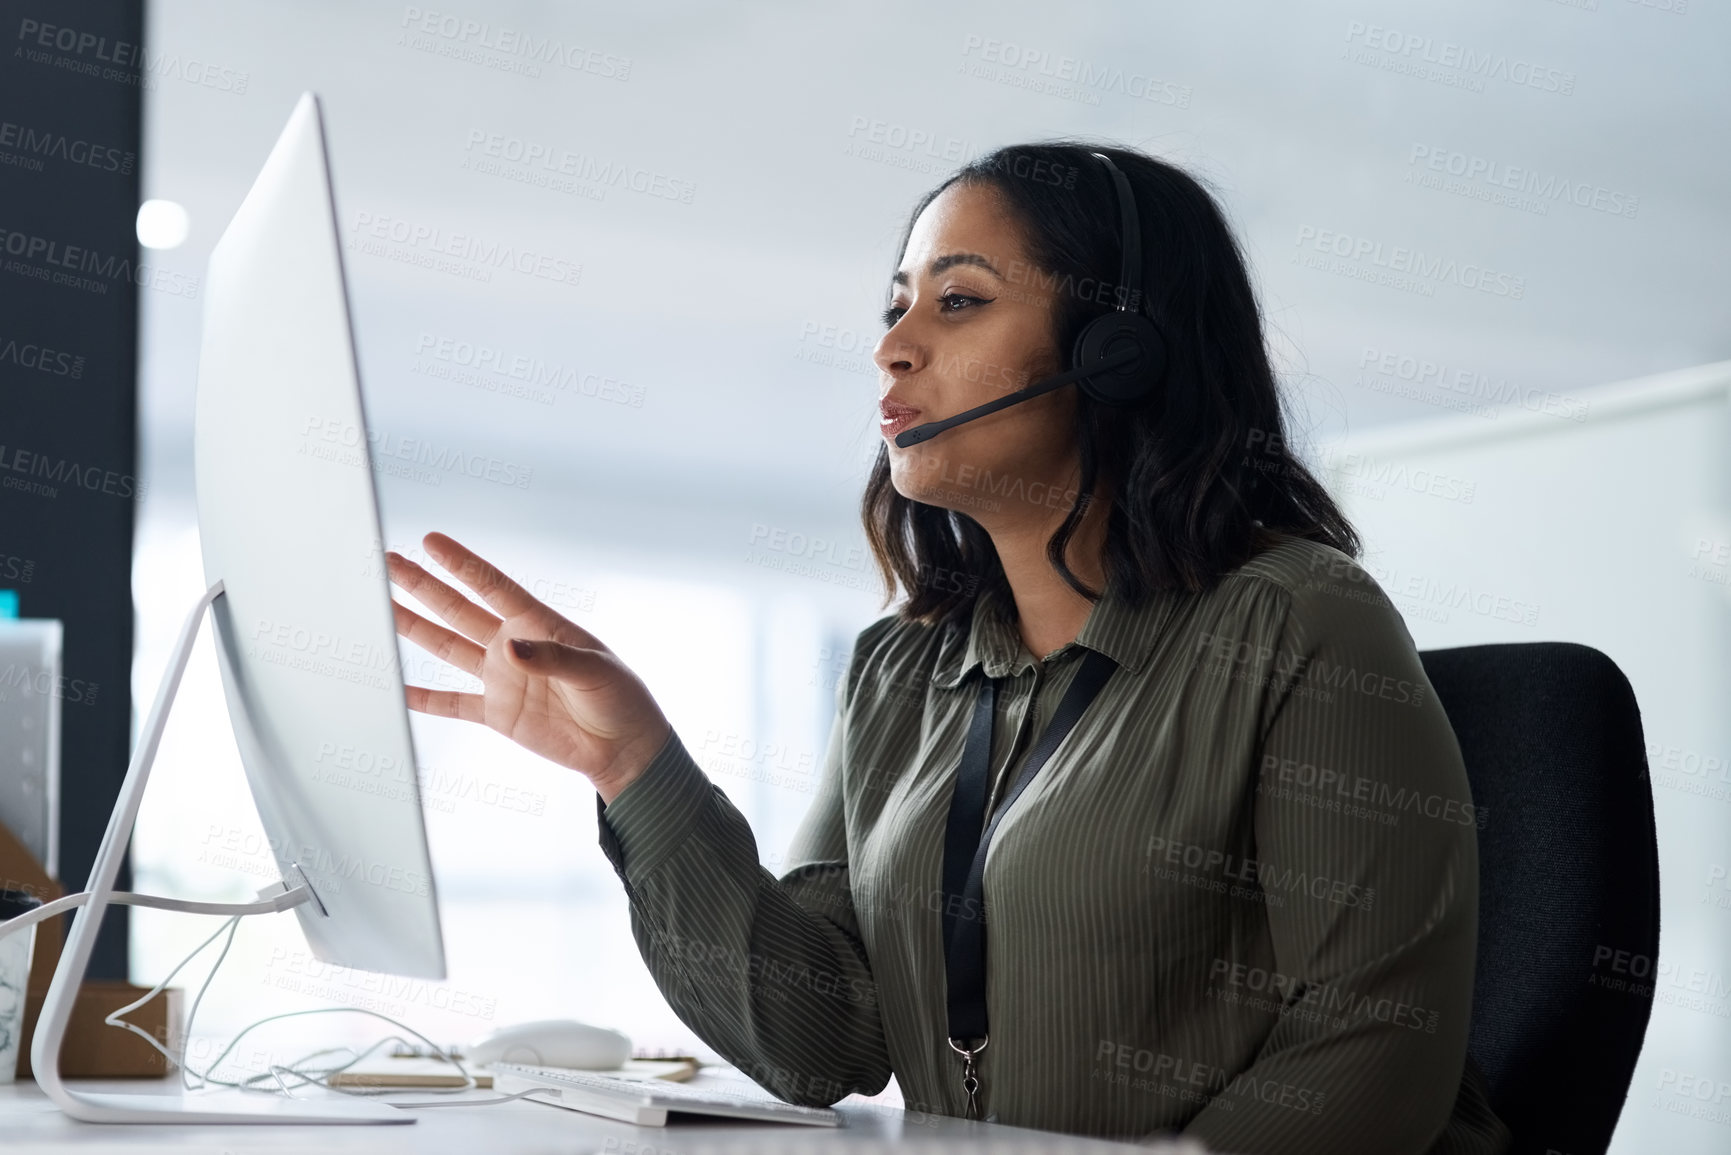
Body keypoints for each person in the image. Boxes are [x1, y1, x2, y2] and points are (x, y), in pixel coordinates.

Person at [386, 141, 1511, 1154]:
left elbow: (1373, 1052)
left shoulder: (1299, 617)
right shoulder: (902, 670)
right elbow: (817, 1040)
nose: (892, 348)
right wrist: (636, 769)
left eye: (959, 302)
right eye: (895, 306)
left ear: (1120, 351)